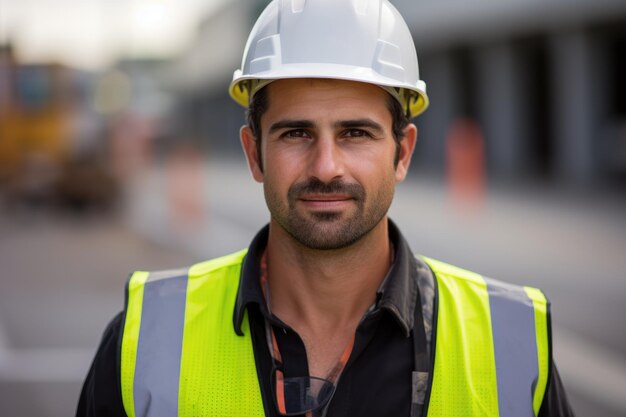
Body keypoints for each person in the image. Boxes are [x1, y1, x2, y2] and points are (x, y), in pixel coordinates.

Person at [77, 1, 576, 416]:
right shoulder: (147, 340)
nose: (326, 166)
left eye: (355, 133)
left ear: (402, 153)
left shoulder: (509, 342)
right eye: (296, 133)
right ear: (255, 154)